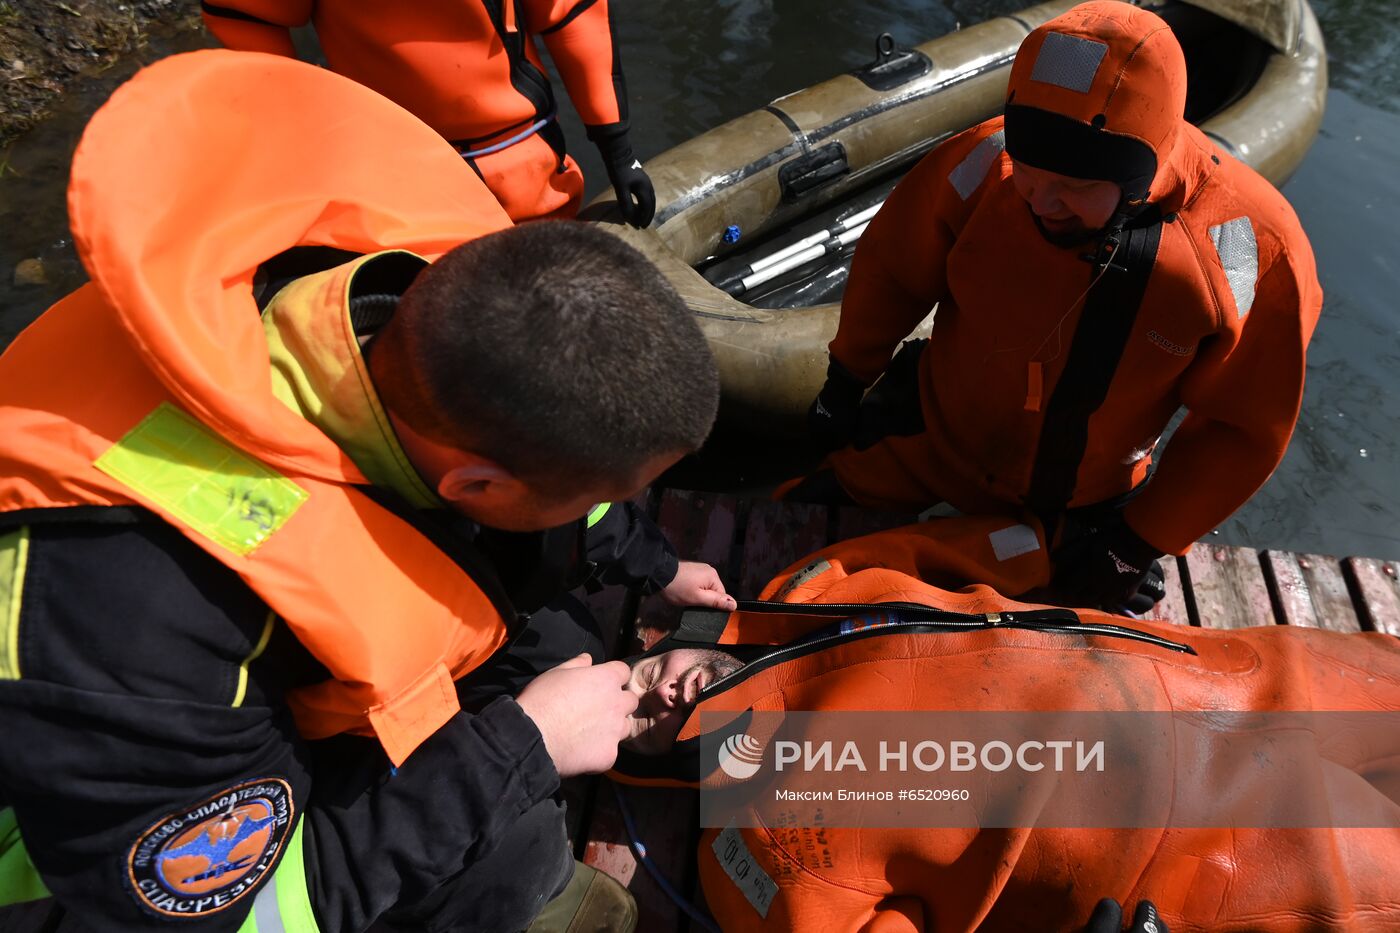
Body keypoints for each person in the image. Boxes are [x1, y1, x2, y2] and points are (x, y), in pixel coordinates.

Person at [0, 50, 727, 932]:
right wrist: (519, 749)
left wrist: (658, 564)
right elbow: (248, 911)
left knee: (560, 638)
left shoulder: (426, 305)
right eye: (589, 499)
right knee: (509, 857)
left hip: (272, 659)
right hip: (104, 857)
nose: (599, 512)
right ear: (476, 482)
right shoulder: (130, 608)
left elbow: (573, 493)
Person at [612, 516, 1400, 931]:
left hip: (1228, 674)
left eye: (643, 683)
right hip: (1213, 844)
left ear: (659, 646)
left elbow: (936, 546)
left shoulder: (807, 589)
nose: (663, 703)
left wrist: (1047, 544)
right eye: (639, 729)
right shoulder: (757, 851)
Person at [797, 1, 1323, 615]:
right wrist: (845, 379)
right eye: (1029, 171)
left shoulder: (1249, 248)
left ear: (1138, 176)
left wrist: (1138, 541)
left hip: (1084, 498)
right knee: (792, 524)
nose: (1041, 201)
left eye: (1073, 186)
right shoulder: (982, 164)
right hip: (930, 443)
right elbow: (891, 269)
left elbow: (1242, 429)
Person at [201, 0, 656, 227]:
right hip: (388, 173)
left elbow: (572, 17)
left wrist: (618, 148)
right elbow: (245, 14)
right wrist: (310, 128)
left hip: (521, 165)